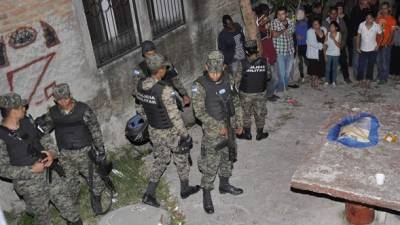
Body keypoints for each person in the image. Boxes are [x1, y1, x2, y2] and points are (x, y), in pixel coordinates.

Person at [0, 93, 82, 225]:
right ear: (13, 111)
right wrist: (31, 170)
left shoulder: (28, 121)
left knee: (67, 204)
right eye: (22, 107)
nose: (25, 109)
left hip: (48, 173)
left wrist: (51, 153)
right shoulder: (2, 136)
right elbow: (2, 169)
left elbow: (44, 138)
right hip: (29, 184)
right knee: (43, 218)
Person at [137, 54, 200, 207]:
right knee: (181, 158)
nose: (166, 69)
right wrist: (185, 135)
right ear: (159, 71)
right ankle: (185, 189)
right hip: (170, 131)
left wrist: (152, 118)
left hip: (154, 130)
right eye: (164, 67)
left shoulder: (140, 85)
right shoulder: (164, 90)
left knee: (162, 159)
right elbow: (175, 117)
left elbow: (140, 108)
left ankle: (149, 193)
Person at [40, 83, 106, 215]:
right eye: (59, 100)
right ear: (55, 100)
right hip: (65, 155)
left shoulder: (83, 110)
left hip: (85, 153)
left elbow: (95, 130)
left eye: (65, 98)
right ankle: (73, 206)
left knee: (96, 180)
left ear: (70, 95)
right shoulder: (53, 113)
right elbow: (43, 130)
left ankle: (96, 198)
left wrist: (101, 150)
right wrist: (50, 148)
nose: (63, 102)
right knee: (70, 184)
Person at [192, 51, 244, 214]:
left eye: (218, 71)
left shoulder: (229, 78)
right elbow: (199, 112)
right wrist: (217, 126)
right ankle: (206, 194)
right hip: (212, 132)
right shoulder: (199, 85)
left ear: (223, 67)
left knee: (228, 158)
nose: (214, 75)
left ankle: (224, 184)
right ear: (206, 67)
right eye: (211, 71)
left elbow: (236, 101)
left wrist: (240, 122)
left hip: (229, 126)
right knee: (211, 164)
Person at [133, 40, 190, 106]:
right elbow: (136, 91)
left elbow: (175, 79)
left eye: (153, 54)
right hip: (154, 104)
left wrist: (184, 95)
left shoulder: (164, 62)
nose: (151, 57)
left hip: (169, 98)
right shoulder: (140, 70)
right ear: (144, 55)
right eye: (149, 55)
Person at [235, 40, 271, 141]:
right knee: (260, 112)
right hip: (260, 92)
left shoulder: (242, 63)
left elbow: (237, 80)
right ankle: (259, 134)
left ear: (246, 51)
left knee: (246, 113)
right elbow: (269, 76)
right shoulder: (265, 61)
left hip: (246, 94)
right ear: (256, 49)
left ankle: (247, 134)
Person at [255, 4, 279, 101]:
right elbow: (260, 36)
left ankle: (270, 94)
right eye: (266, 11)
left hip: (271, 52)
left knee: (272, 77)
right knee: (273, 78)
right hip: (265, 55)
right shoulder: (257, 25)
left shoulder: (266, 22)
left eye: (268, 11)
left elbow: (270, 36)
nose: (268, 13)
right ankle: (269, 95)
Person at [323, 6, 351, 84]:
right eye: (332, 14)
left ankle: (346, 77)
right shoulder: (325, 22)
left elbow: (345, 32)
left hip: (339, 46)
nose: (334, 15)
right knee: (329, 64)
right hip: (329, 48)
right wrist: (325, 46)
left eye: (335, 13)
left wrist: (342, 44)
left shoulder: (341, 21)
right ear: (329, 14)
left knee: (343, 62)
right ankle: (331, 79)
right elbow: (323, 34)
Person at [271, 6, 296, 92]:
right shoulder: (274, 22)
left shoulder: (291, 22)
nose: (281, 16)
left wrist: (282, 32)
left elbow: (291, 32)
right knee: (281, 73)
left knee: (288, 72)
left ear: (286, 14)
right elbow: (274, 34)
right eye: (279, 14)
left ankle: (284, 87)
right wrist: (283, 31)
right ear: (277, 15)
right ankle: (281, 89)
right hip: (279, 51)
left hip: (290, 51)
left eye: (283, 14)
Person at [356, 11, 383, 88]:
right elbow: (358, 36)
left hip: (373, 49)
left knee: (370, 66)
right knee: (361, 66)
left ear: (373, 19)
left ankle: (368, 80)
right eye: (367, 18)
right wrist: (357, 47)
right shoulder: (361, 25)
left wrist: (378, 45)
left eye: (370, 18)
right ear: (365, 18)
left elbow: (381, 36)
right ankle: (360, 80)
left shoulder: (376, 26)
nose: (368, 20)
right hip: (363, 49)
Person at [376, 2, 397, 84]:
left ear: (389, 9)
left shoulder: (392, 20)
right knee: (378, 61)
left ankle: (384, 78)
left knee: (385, 61)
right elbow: (374, 27)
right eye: (382, 8)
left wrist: (388, 43)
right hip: (378, 43)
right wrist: (377, 17)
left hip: (386, 44)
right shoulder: (379, 18)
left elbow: (392, 33)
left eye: (385, 8)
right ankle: (379, 76)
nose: (384, 10)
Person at [350, 0, 371, 77]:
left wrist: (368, 10)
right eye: (365, 2)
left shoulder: (367, 10)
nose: (367, 3)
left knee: (364, 55)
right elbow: (354, 23)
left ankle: (362, 74)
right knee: (356, 55)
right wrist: (354, 36)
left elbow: (370, 21)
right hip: (356, 36)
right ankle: (356, 74)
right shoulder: (355, 9)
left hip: (365, 37)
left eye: (367, 2)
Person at [307, 19, 327, 89]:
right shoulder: (310, 31)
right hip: (313, 52)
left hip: (322, 52)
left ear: (320, 24)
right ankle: (313, 81)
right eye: (313, 24)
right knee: (313, 67)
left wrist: (326, 46)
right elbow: (312, 43)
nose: (315, 25)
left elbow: (327, 39)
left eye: (316, 24)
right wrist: (322, 46)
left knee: (320, 66)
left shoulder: (324, 29)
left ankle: (317, 80)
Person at [324, 21, 342, 87]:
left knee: (334, 68)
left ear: (336, 28)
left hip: (336, 54)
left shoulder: (339, 34)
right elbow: (325, 45)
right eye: (330, 27)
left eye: (332, 27)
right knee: (327, 68)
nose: (331, 28)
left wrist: (333, 39)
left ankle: (334, 81)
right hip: (328, 53)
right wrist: (325, 55)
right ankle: (326, 81)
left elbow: (339, 46)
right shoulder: (327, 34)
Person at [295, 8, 309, 82]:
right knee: (300, 61)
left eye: (301, 13)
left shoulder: (305, 23)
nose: (299, 15)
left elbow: (307, 34)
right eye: (298, 13)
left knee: (307, 60)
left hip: (305, 45)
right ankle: (302, 76)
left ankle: (312, 74)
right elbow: (295, 33)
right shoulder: (296, 24)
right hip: (299, 45)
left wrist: (302, 37)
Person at [390, 14, 400, 79]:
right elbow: (392, 34)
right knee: (394, 59)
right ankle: (393, 73)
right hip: (394, 45)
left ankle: (398, 74)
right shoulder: (395, 25)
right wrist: (391, 41)